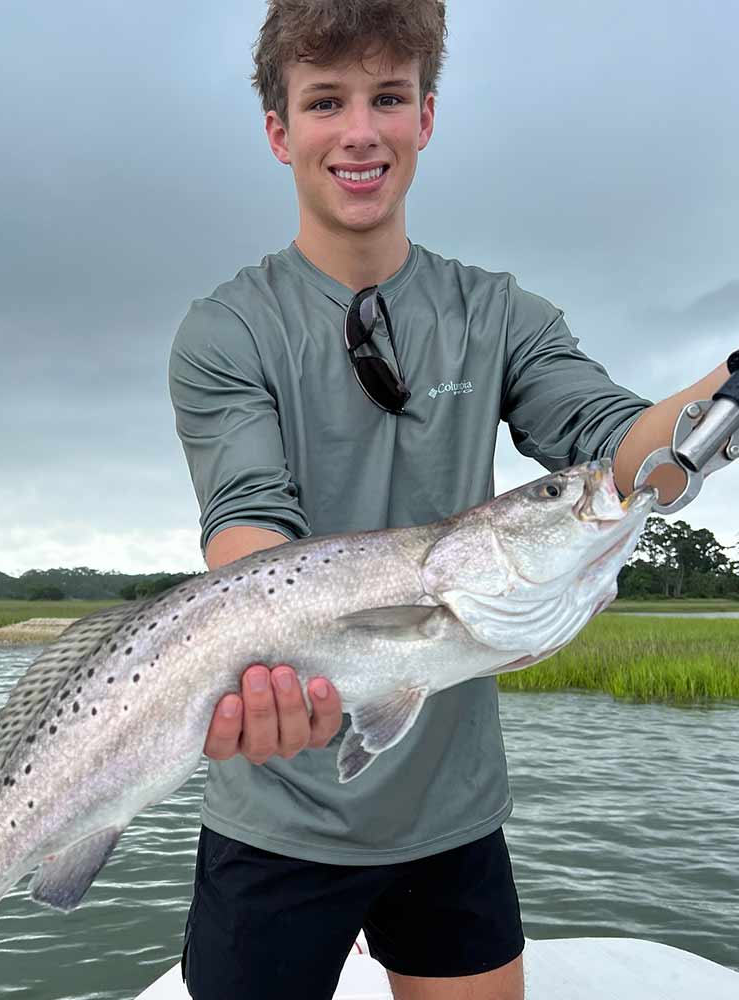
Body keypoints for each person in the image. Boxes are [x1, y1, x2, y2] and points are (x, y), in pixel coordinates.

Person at [167, 2, 732, 998]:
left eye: (388, 97)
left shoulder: (500, 315)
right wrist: (269, 668)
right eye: (325, 101)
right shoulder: (227, 330)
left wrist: (723, 393)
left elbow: (612, 444)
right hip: (276, 809)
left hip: (452, 810)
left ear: (425, 115)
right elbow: (249, 524)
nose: (359, 132)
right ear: (278, 129)